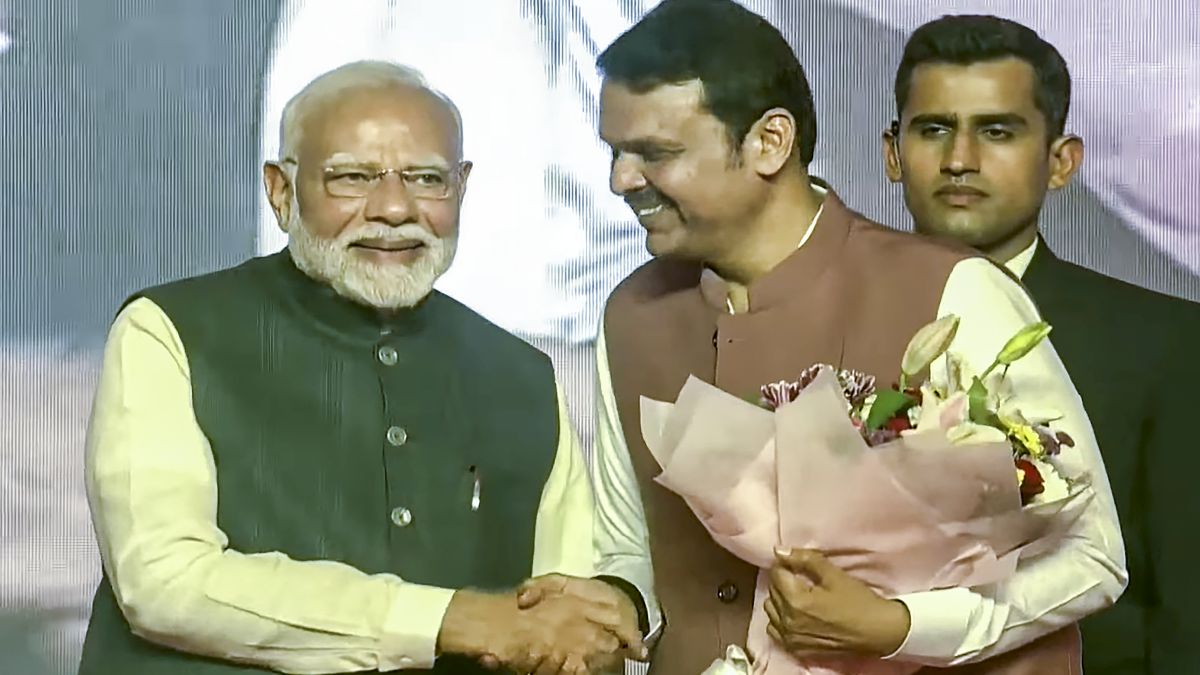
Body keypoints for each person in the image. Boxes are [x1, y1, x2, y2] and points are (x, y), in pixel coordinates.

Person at [586, 1, 1124, 673]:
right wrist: (603, 600)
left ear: (769, 142)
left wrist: (900, 624)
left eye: (654, 154)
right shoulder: (632, 313)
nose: (619, 181)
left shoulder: (953, 291)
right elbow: (626, 548)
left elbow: (1094, 555)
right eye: (614, 152)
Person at [77, 60, 640, 675]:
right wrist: (453, 619)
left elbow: (563, 604)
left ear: (463, 188)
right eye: (352, 178)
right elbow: (163, 582)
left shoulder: (521, 375)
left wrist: (587, 644)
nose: (395, 208)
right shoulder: (171, 329)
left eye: (427, 178)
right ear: (280, 192)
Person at [881, 15, 1200, 673]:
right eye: (933, 129)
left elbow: (1186, 619)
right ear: (892, 154)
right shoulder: (828, 322)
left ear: (1061, 162)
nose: (960, 158)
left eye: (998, 131)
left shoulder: (1165, 342)